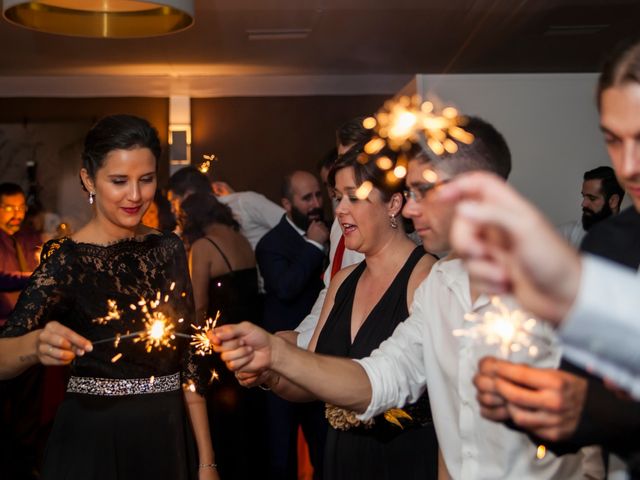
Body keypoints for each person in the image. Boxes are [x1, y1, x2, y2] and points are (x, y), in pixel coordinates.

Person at [212, 117, 600, 479]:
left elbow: (601, 439)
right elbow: (382, 379)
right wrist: (277, 357)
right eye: (409, 193)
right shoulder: (440, 289)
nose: (411, 207)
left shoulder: (562, 286)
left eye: (423, 192)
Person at [0, 114, 217, 480]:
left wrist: (207, 459)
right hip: (92, 440)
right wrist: (36, 343)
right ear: (89, 179)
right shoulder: (67, 259)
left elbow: (190, 356)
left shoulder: (169, 248)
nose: (135, 196)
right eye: (119, 181)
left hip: (165, 433)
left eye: (146, 180)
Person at [179, 191, 265, 479]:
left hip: (222, 349)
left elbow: (199, 305)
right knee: (250, 428)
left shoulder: (204, 246)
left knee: (225, 428)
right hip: (251, 343)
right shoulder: (240, 239)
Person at [256, 169, 329, 480]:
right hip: (282, 357)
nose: (315, 203)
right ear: (287, 203)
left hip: (320, 355)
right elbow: (285, 288)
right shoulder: (270, 244)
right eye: (306, 198)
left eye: (318, 195)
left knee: (323, 446)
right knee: (282, 451)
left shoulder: (334, 230)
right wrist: (314, 247)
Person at [0, 182, 46, 479]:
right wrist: (34, 276)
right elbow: (3, 278)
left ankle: (25, 462)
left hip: (28, 335)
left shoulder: (28, 240)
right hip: (2, 336)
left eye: (20, 207)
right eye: (8, 208)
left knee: (28, 408)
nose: (16, 214)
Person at [557, 166, 624, 247]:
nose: (583, 204)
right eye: (584, 196)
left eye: (592, 198)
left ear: (613, 201)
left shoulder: (632, 240)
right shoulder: (570, 233)